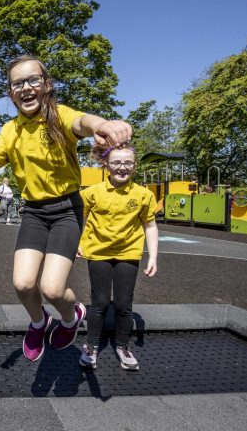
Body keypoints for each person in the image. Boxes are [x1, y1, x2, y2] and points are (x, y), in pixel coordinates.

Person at [0, 55, 132, 361]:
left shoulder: (58, 116)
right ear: (10, 92)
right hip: (35, 212)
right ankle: (39, 322)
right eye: (18, 83)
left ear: (46, 85)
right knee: (23, 284)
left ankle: (72, 315)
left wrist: (104, 124)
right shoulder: (10, 131)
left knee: (53, 289)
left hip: (66, 209)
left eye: (33, 80)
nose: (26, 87)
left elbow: (83, 122)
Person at [77, 143, 158, 371]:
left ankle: (123, 346)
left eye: (127, 163)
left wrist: (152, 256)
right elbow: (77, 218)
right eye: (116, 162)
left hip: (128, 253)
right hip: (99, 252)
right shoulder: (92, 192)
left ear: (134, 165)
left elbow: (150, 225)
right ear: (106, 165)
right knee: (100, 302)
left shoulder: (143, 194)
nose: (122, 167)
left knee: (123, 304)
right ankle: (91, 346)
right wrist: (78, 242)